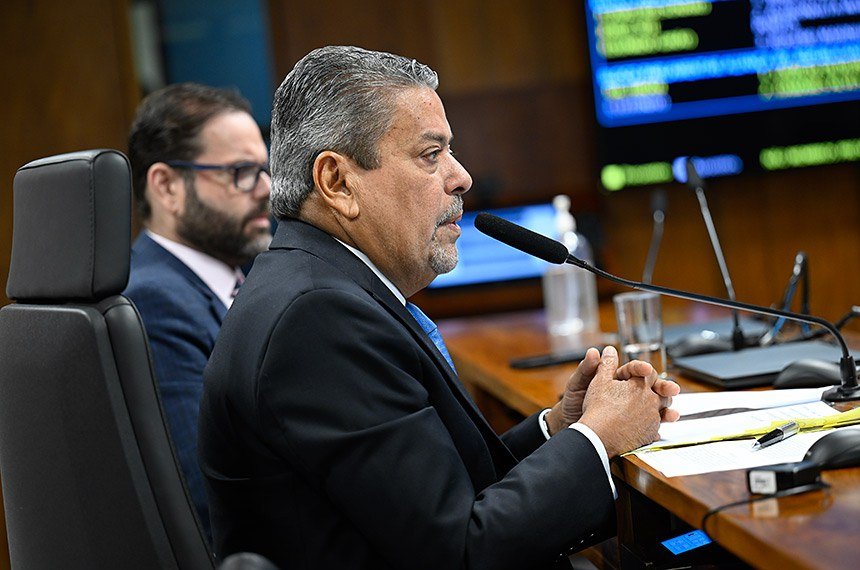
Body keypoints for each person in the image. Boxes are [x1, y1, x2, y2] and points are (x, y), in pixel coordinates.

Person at [199, 46, 680, 569]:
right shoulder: (316, 319)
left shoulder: (318, 287)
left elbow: (436, 492)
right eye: (431, 155)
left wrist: (561, 429)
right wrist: (599, 439)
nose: (461, 177)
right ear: (338, 183)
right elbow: (460, 552)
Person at [125, 83, 272, 540]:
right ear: (167, 186)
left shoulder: (236, 282)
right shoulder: (154, 303)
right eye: (241, 172)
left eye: (265, 170)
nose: (267, 189)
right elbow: (212, 500)